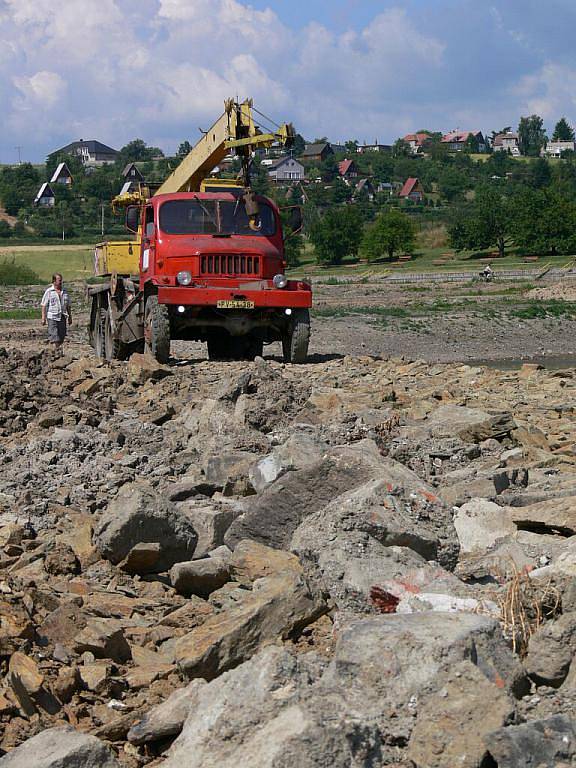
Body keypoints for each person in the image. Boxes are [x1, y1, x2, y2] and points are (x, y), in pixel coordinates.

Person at [41, 273, 72, 348]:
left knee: (61, 336)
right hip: (52, 317)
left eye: (61, 280)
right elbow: (43, 305)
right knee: (54, 336)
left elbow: (68, 305)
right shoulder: (49, 291)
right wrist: (43, 318)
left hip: (62, 316)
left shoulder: (65, 291)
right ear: (54, 281)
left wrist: (70, 317)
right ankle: (55, 352)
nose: (60, 282)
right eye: (59, 280)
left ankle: (56, 350)